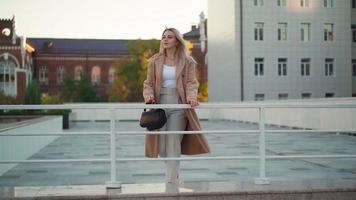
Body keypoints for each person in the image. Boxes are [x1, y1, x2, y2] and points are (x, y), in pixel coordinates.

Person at [143, 28, 210, 191]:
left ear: (177, 41)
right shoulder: (154, 61)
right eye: (163, 37)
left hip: (179, 104)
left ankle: (170, 182)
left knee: (173, 141)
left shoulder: (187, 61)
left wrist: (192, 97)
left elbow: (191, 83)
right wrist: (149, 95)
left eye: (169, 37)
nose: (165, 40)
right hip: (159, 104)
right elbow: (148, 83)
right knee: (163, 147)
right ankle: (175, 174)